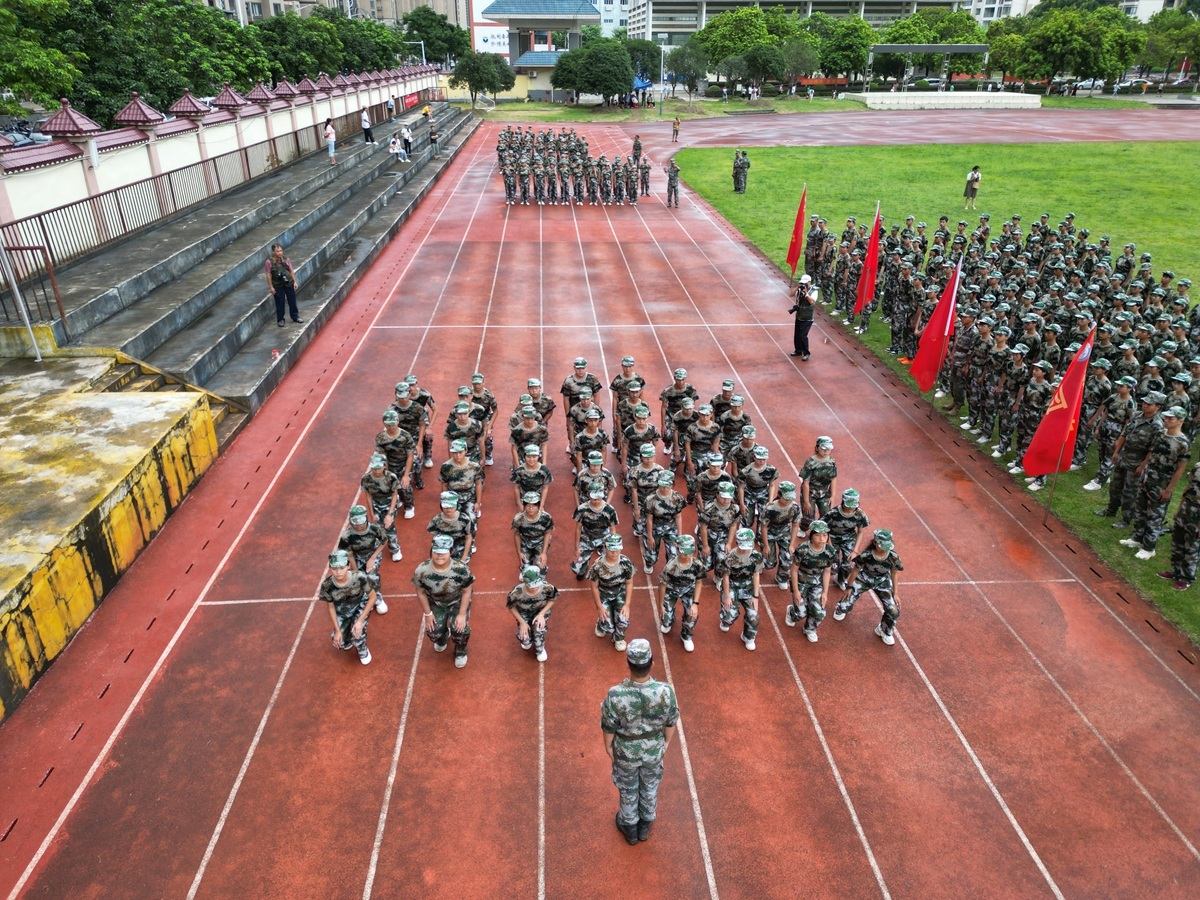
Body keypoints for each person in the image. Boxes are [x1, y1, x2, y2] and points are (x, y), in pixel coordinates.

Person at [601, 638, 679, 845]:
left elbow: (608, 726)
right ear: (651, 663)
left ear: (628, 664)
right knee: (650, 786)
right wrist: (665, 744)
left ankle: (630, 830)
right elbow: (671, 721)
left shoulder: (615, 694)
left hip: (626, 751)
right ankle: (645, 826)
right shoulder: (665, 691)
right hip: (654, 749)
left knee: (628, 789)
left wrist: (609, 747)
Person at [412, 534, 475, 669]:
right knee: (433, 632)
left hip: (457, 601)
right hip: (436, 602)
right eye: (436, 552)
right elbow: (420, 592)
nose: (439, 556)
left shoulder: (461, 569)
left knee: (460, 630)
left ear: (451, 552)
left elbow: (467, 591)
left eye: (443, 553)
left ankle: (460, 651)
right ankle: (443, 636)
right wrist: (428, 614)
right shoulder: (421, 570)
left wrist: (462, 614)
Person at [834, 528, 903, 646]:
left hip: (882, 581)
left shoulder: (893, 556)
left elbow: (894, 573)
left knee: (893, 610)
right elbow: (855, 571)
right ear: (875, 543)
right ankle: (841, 607)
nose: (884, 548)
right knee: (844, 606)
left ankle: (884, 630)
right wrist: (849, 588)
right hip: (864, 578)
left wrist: (895, 593)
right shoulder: (866, 555)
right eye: (882, 545)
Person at [320, 550, 374, 665]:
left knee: (357, 633)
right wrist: (338, 631)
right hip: (343, 611)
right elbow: (330, 608)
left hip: (360, 605)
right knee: (339, 641)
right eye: (334, 569)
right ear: (330, 568)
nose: (338, 572)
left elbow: (372, 598)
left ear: (348, 566)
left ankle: (362, 648)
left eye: (342, 568)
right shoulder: (327, 586)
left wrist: (360, 621)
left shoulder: (359, 577)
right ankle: (347, 637)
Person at [787, 520, 836, 642]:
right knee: (801, 613)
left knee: (819, 612)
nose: (822, 539)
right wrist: (796, 591)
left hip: (817, 582)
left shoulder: (830, 552)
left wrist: (825, 592)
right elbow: (793, 571)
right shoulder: (803, 549)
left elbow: (827, 572)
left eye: (825, 535)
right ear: (812, 536)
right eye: (818, 535)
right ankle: (791, 612)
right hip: (801, 581)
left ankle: (810, 629)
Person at [588, 533, 636, 651]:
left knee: (624, 620)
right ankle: (601, 624)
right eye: (611, 550)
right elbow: (594, 587)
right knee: (607, 626)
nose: (614, 553)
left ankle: (619, 638)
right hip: (604, 594)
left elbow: (629, 583)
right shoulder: (597, 565)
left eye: (617, 549)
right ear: (604, 547)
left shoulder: (626, 562)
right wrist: (599, 607)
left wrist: (627, 605)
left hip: (620, 594)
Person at [337, 505, 388, 614]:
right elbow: (348, 554)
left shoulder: (375, 529)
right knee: (358, 579)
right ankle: (363, 598)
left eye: (361, 522)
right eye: (356, 523)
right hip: (356, 557)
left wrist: (373, 558)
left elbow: (384, 541)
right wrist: (356, 571)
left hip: (372, 553)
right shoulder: (347, 535)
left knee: (371, 577)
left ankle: (377, 599)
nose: (359, 526)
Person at [720, 527, 763, 650]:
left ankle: (748, 636)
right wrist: (727, 596)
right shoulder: (729, 557)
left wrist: (755, 596)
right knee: (728, 617)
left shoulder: (756, 556)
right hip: (733, 585)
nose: (745, 550)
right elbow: (726, 577)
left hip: (747, 587)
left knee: (753, 616)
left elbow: (756, 575)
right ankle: (725, 620)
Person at [659, 533, 703, 651]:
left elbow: (699, 582)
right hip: (672, 590)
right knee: (665, 620)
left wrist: (695, 603)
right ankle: (670, 618)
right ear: (678, 550)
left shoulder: (697, 565)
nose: (688, 555)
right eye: (685, 552)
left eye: (690, 552)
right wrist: (661, 606)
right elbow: (662, 586)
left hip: (689, 590)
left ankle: (686, 635)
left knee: (693, 614)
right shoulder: (670, 567)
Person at [507, 566, 557, 663]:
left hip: (540, 611)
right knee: (525, 640)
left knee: (538, 628)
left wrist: (542, 614)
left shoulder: (547, 588)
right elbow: (510, 606)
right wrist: (522, 623)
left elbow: (553, 599)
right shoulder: (516, 592)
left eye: (536, 585)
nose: (534, 588)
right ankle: (527, 638)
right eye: (531, 586)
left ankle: (540, 649)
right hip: (524, 613)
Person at [512, 491, 555, 574]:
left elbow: (547, 533)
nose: (530, 508)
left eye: (533, 506)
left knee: (541, 569)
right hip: (525, 542)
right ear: (524, 506)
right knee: (526, 570)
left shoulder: (546, 517)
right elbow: (516, 535)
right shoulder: (518, 519)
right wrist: (519, 553)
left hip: (540, 542)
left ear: (538, 506)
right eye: (528, 505)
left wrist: (544, 553)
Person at [264, 243, 301, 327]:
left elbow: (291, 270)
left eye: (281, 251)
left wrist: (294, 282)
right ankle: (280, 319)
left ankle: (295, 316)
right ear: (273, 252)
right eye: (277, 251)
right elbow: (268, 274)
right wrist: (271, 287)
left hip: (288, 282)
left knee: (292, 300)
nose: (280, 253)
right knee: (279, 302)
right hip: (277, 284)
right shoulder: (269, 262)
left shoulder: (286, 259)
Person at [790, 274, 817, 359]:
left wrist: (806, 293)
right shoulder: (799, 290)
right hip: (799, 315)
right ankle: (798, 350)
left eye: (805, 283)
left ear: (809, 282)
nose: (803, 285)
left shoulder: (814, 291)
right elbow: (791, 294)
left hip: (808, 318)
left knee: (803, 335)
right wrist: (797, 287)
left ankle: (806, 353)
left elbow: (812, 302)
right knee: (797, 335)